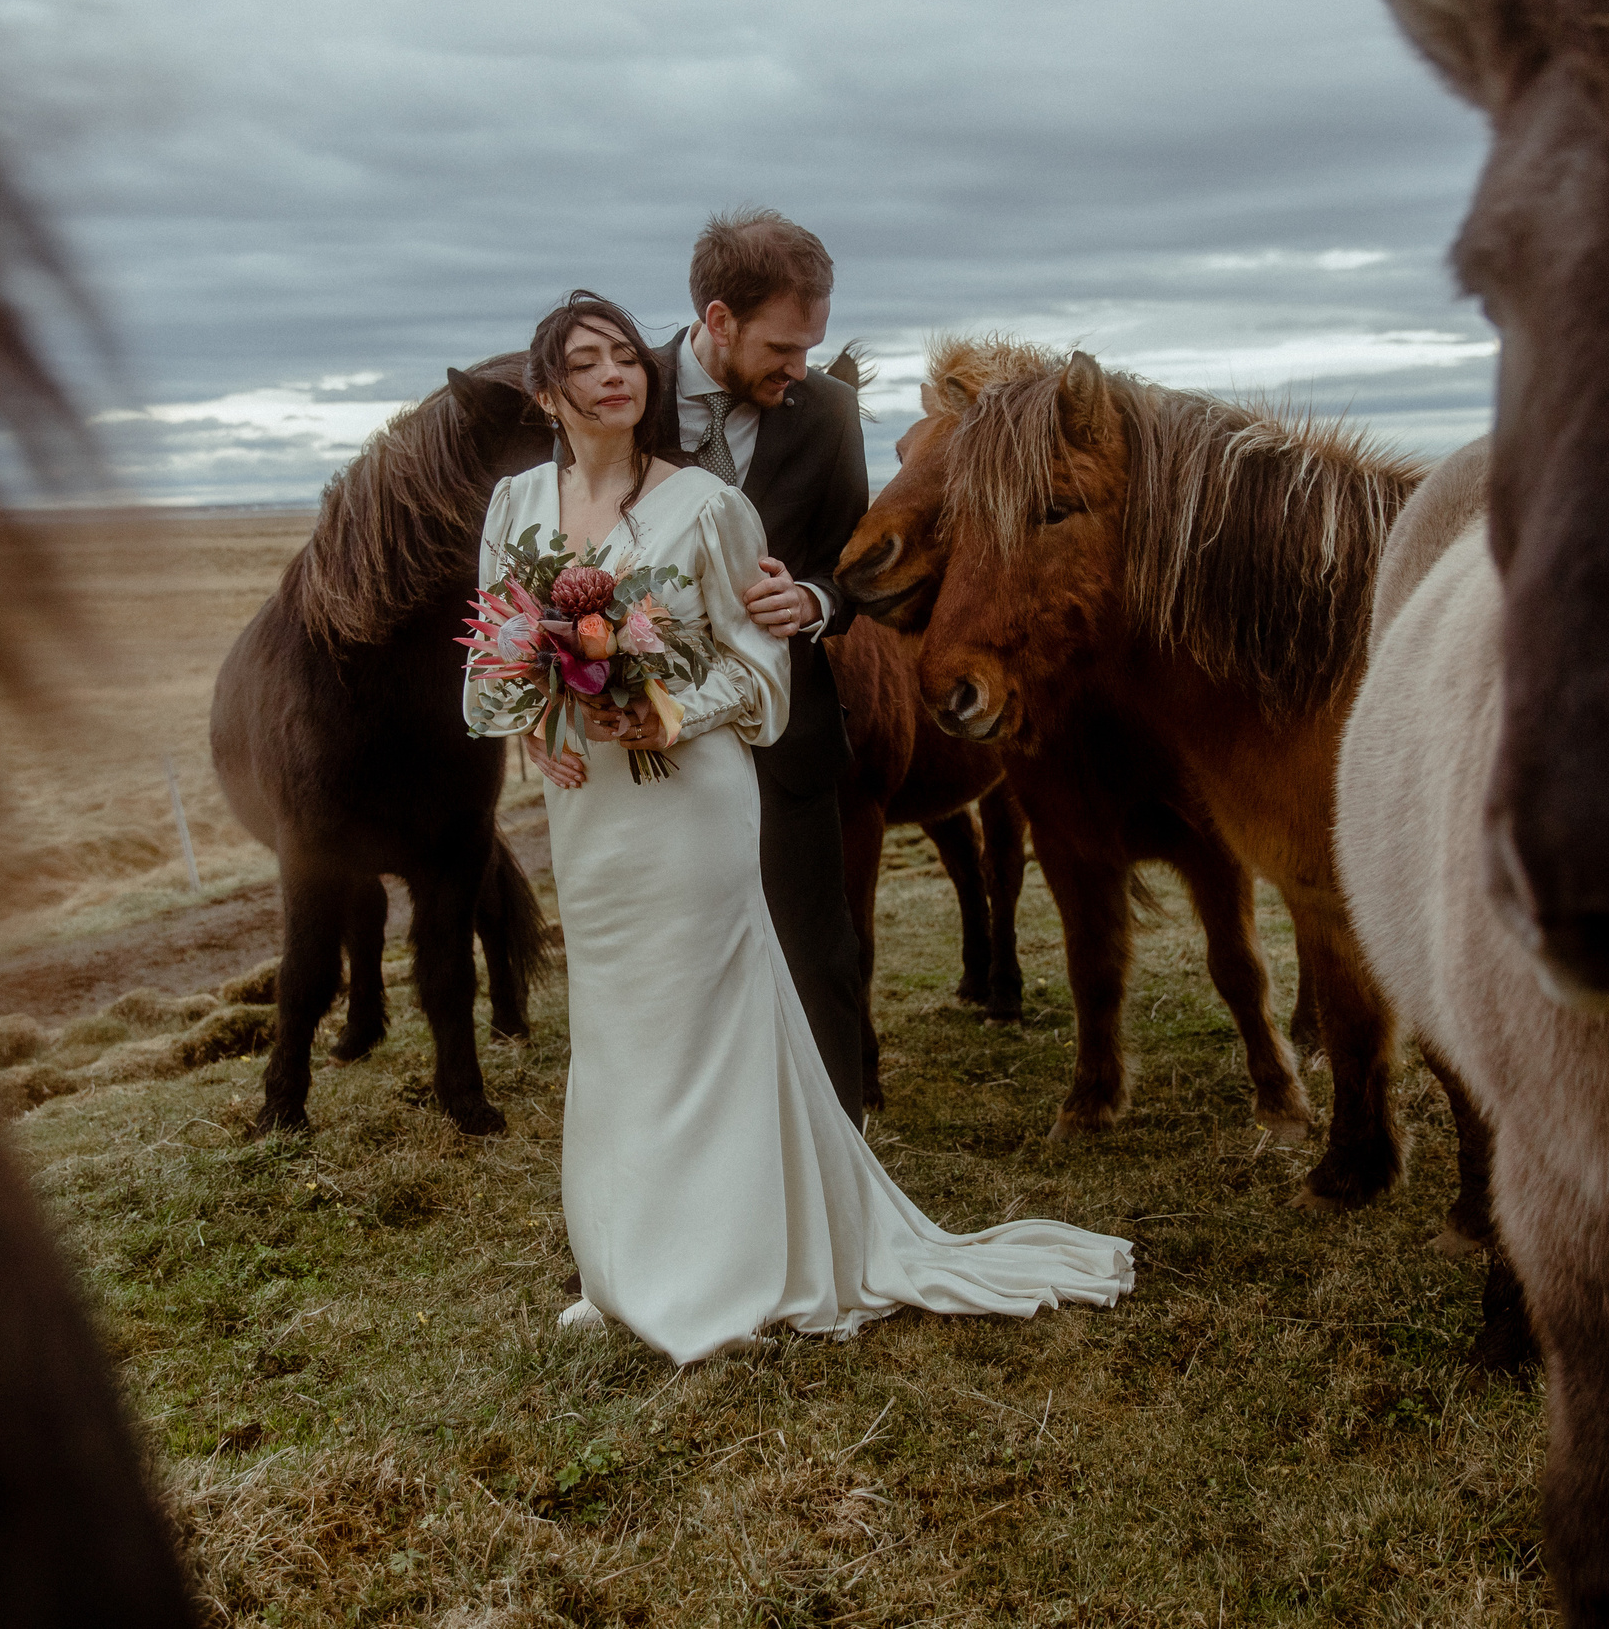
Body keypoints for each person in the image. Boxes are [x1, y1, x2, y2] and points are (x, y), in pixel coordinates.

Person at [464, 291, 1132, 1364]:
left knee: (708, 1018)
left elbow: (759, 661)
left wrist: (670, 707)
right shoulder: (515, 506)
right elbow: (494, 645)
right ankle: (629, 1262)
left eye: (624, 359)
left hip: (692, 798)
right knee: (621, 1029)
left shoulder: (707, 506)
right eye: (583, 365)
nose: (613, 377)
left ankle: (732, 1266)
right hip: (588, 808)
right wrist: (531, 719)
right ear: (547, 391)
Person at [527, 209, 871, 1128]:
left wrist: (814, 600)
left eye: (811, 348)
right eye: (784, 346)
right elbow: (569, 549)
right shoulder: (622, 392)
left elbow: (849, 562)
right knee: (679, 957)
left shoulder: (829, 413)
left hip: (786, 728)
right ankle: (710, 1141)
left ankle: (839, 1144)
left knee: (818, 950)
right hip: (652, 756)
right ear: (718, 321)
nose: (801, 369)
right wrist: (550, 701)